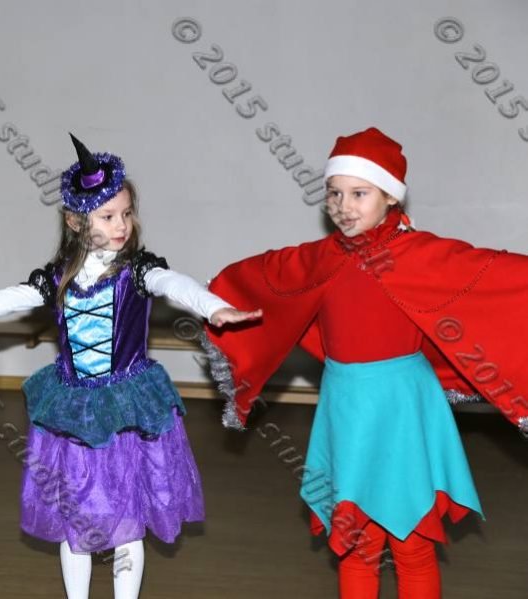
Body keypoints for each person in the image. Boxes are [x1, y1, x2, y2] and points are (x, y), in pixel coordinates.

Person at [0, 134, 260, 599]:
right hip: (73, 414)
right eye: (108, 216)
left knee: (127, 521)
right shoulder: (56, 278)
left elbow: (174, 284)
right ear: (76, 221)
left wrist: (213, 307)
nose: (121, 225)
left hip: (126, 410)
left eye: (126, 214)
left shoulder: (139, 271)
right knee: (74, 520)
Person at [202, 127, 528, 598]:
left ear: (391, 197)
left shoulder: (420, 255)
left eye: (359, 193)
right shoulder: (321, 259)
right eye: (334, 193)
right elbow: (263, 277)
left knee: (413, 543)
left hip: (404, 411)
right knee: (356, 545)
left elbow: (498, 276)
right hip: (348, 410)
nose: (344, 205)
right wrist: (209, 299)